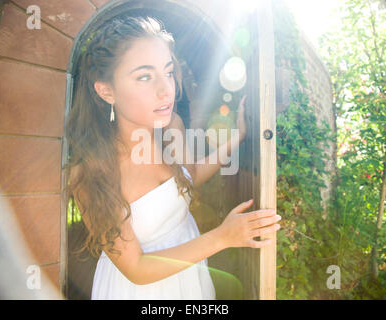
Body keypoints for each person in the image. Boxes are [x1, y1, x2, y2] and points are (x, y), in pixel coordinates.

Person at [64, 16, 281, 300]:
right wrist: (223, 236)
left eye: (167, 72)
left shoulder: (171, 127)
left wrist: (237, 138)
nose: (165, 89)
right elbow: (136, 268)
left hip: (190, 277)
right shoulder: (92, 173)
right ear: (106, 91)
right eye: (144, 76)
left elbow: (190, 177)